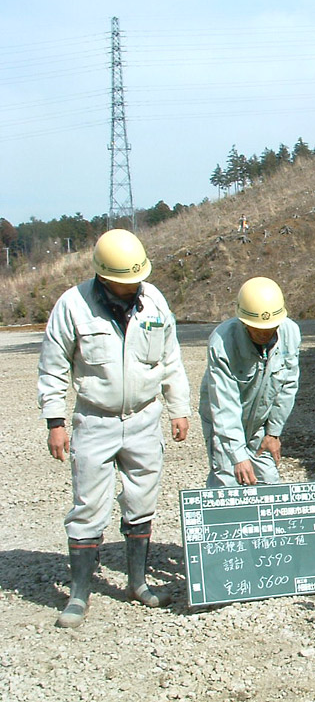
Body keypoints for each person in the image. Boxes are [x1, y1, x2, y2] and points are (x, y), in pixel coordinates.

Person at [37, 228, 191, 629]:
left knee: (142, 500)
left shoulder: (154, 302)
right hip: (95, 419)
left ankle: (137, 583)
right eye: (123, 282)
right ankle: (78, 594)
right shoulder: (73, 306)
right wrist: (55, 422)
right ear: (103, 275)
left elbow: (170, 359)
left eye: (135, 279)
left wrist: (179, 409)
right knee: (89, 505)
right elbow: (53, 368)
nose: (131, 287)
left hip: (144, 418)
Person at [200, 276, 300, 488]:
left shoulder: (290, 333)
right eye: (257, 329)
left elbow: (287, 386)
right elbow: (223, 403)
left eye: (270, 328)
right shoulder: (222, 342)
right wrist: (237, 455)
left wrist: (273, 432)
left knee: (268, 481)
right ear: (243, 322)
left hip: (260, 424)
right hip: (224, 425)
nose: (264, 334)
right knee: (229, 482)